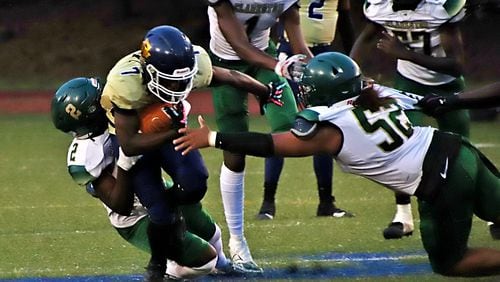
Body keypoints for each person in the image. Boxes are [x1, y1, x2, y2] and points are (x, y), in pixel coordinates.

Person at [173, 52, 500, 277]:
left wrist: (213, 138)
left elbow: (270, 144)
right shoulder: (374, 91)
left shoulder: (331, 126)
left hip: (440, 181)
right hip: (459, 150)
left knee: (449, 262)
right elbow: (430, 103)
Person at [99, 25, 285, 278]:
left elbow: (228, 75)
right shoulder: (126, 82)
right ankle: (158, 262)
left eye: (181, 80)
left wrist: (265, 92)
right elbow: (130, 143)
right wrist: (172, 131)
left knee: (195, 183)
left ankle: (170, 209)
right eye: (168, 80)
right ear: (149, 70)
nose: (176, 87)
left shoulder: (193, 63)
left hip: (168, 133)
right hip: (136, 145)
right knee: (159, 214)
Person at [50, 77, 238, 280]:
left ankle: (225, 267)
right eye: (101, 100)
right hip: (134, 217)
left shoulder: (124, 116)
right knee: (204, 260)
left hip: (157, 190)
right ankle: (171, 271)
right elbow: (120, 205)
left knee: (210, 230)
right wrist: (124, 164)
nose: (110, 100)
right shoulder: (86, 154)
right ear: (91, 114)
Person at [206, 0, 313, 270]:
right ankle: (238, 241)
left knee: (294, 132)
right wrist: (281, 66)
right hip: (224, 67)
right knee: (234, 153)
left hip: (265, 60)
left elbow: (300, 48)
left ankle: (270, 199)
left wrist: (314, 71)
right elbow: (240, 45)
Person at [350, 0, 470, 239]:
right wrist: (352, 72)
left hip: (447, 86)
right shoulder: (380, 6)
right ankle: (403, 216)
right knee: (401, 146)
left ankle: (487, 213)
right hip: (408, 83)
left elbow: (457, 65)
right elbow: (365, 38)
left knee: (463, 153)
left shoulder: (440, 7)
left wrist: (404, 54)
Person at [259, 0, 356, 219]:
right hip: (291, 55)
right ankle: (267, 203)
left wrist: (353, 60)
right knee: (281, 125)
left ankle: (326, 202)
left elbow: (345, 17)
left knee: (323, 126)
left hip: (325, 54)